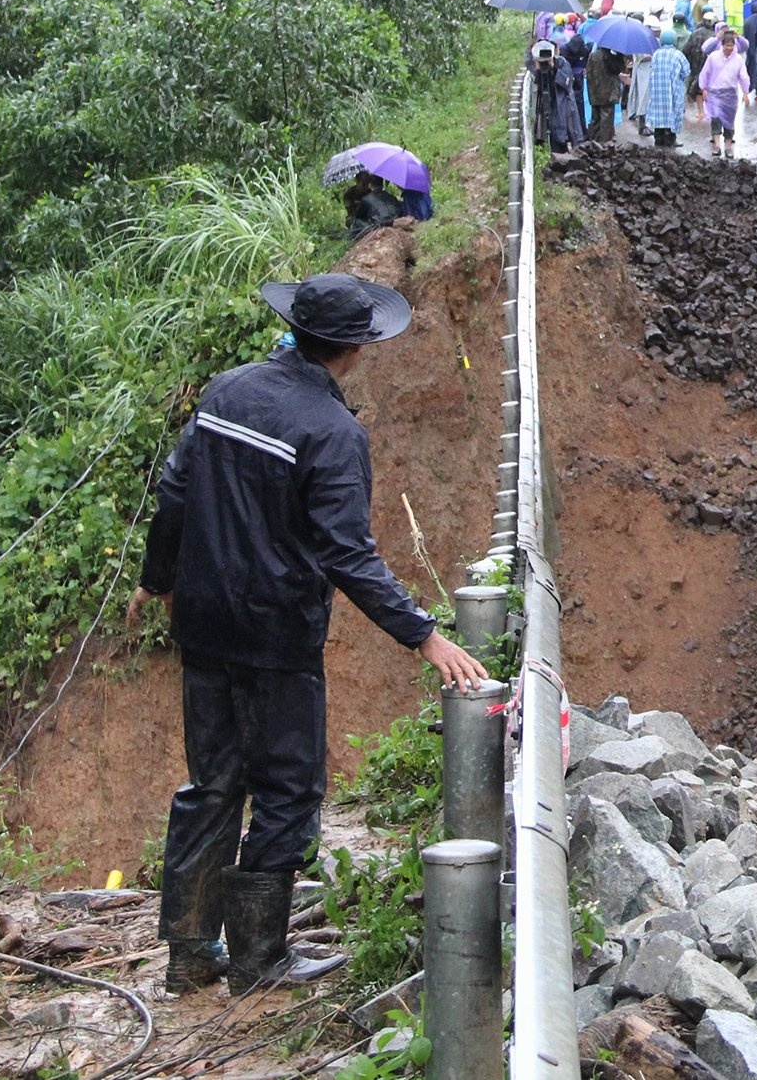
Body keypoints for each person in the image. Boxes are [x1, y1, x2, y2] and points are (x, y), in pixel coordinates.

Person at [131, 274, 488, 996]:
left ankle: (190, 955)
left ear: (293, 328)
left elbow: (175, 490)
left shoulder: (226, 390)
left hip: (201, 622)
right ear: (355, 348)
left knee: (212, 782)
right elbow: (346, 551)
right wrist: (424, 636)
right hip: (275, 635)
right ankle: (259, 959)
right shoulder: (332, 432)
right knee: (289, 790)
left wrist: (158, 576)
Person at [699, 29, 748, 158]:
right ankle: (716, 145)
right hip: (714, 92)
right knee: (716, 119)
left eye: (732, 45)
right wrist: (704, 88)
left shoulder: (738, 60)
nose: (729, 48)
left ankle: (728, 146)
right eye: (727, 45)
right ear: (722, 45)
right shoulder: (713, 57)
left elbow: (743, 76)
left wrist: (745, 91)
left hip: (730, 94)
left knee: (729, 121)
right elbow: (705, 73)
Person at [529, 41, 583, 152]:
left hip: (562, 105)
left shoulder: (562, 63)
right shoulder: (539, 65)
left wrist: (553, 67)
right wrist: (538, 69)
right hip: (548, 104)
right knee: (551, 134)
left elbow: (567, 83)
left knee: (564, 136)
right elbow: (537, 84)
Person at [644, 40, 690, 149]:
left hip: (657, 89)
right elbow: (686, 71)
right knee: (673, 112)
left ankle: (658, 139)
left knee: (659, 113)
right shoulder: (678, 54)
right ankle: (670, 139)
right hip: (673, 89)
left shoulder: (656, 54)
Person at [343, 172, 401, 240]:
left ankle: (351, 240)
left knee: (357, 222)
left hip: (378, 222)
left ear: (369, 184)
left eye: (366, 182)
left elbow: (359, 213)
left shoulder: (368, 195)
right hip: (388, 220)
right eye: (362, 182)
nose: (364, 184)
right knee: (352, 220)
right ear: (357, 182)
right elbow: (353, 212)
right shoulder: (349, 193)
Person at [587, 46, 625, 142]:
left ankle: (593, 144)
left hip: (594, 93)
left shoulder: (593, 55)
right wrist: (620, 55)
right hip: (608, 94)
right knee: (606, 122)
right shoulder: (610, 57)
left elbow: (588, 72)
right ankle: (605, 146)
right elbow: (618, 69)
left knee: (595, 120)